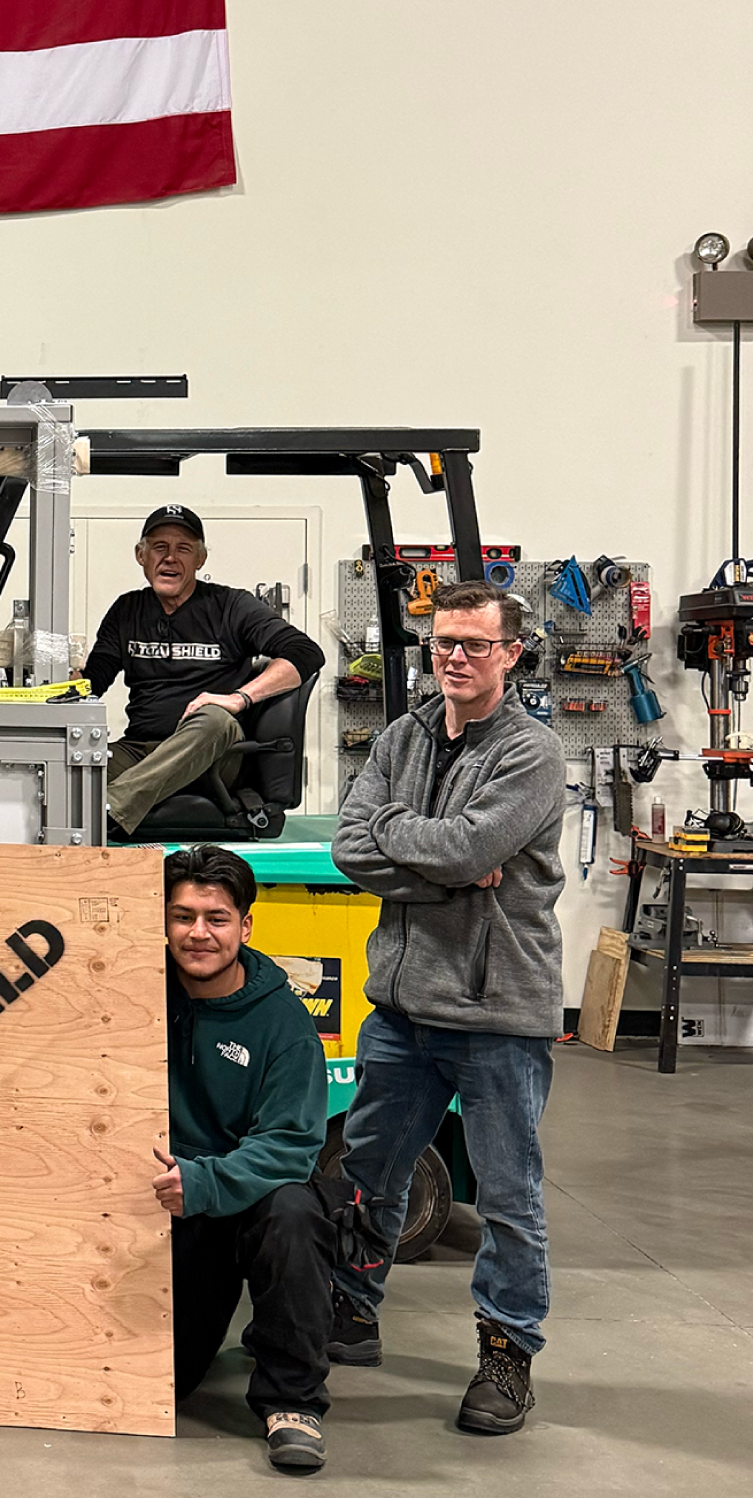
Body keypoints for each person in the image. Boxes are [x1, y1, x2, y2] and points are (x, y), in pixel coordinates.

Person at [330, 578, 566, 1436]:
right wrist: (443, 864)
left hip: (498, 1012)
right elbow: (351, 848)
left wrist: (418, 840)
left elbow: (474, 843)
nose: (455, 657)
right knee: (367, 1175)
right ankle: (350, 1311)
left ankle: (507, 1357)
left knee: (509, 1199)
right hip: (400, 1008)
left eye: (473, 643)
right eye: (443, 643)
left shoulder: (531, 753)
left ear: (510, 651)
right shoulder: (403, 734)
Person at [154, 845, 335, 1472]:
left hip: (238, 1198)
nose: (198, 933)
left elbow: (289, 1144)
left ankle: (293, 1399)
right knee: (167, 1383)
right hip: (164, 1200)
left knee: (294, 1212)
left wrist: (204, 1183)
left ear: (245, 926)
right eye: (182, 916)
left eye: (216, 917)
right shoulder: (129, 993)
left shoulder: (282, 1022)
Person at [77, 506, 325, 836]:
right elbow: (93, 682)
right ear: (141, 555)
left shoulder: (231, 607)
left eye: (183, 548)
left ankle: (111, 811)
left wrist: (238, 699)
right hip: (140, 749)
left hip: (215, 757)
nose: (170, 558)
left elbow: (306, 654)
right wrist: (59, 684)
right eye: (159, 547)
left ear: (200, 559)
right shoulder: (127, 610)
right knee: (73, 767)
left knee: (214, 718)